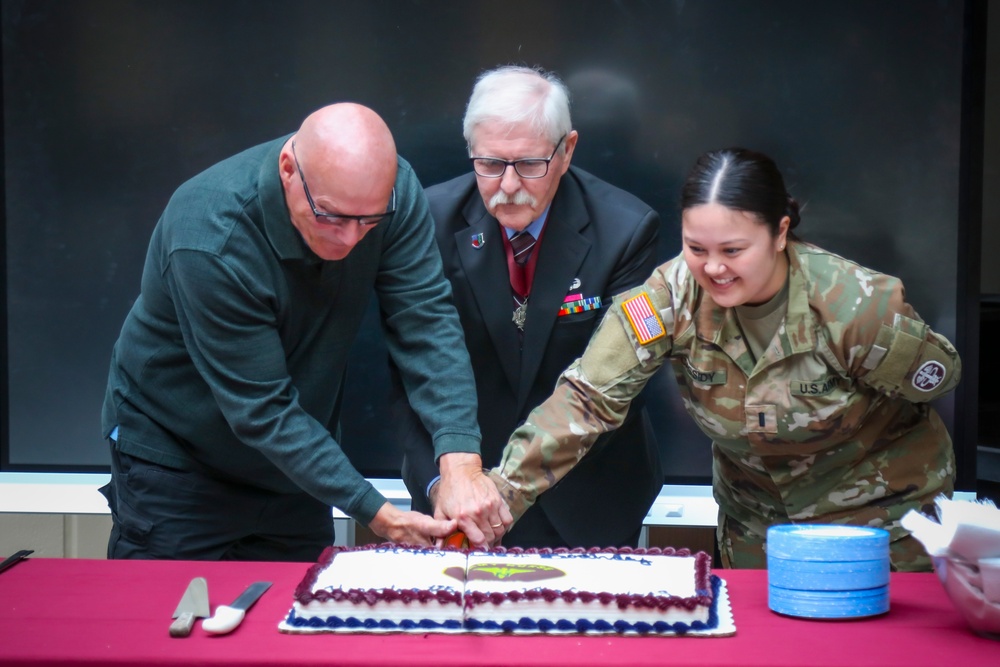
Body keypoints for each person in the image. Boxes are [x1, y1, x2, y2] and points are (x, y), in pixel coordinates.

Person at [486, 147, 961, 571]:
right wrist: (500, 494)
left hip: (882, 530)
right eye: (696, 249)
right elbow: (587, 400)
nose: (713, 268)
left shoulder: (855, 308)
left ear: (780, 233)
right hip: (758, 532)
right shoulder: (669, 297)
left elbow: (937, 380)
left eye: (733, 250)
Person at [100, 103, 509, 561]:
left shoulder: (391, 193)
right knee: (167, 623)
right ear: (289, 169)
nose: (351, 239)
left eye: (368, 221)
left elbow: (426, 321)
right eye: (330, 217)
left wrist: (460, 464)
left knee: (294, 621)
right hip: (178, 464)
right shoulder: (210, 235)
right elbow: (261, 408)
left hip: (295, 466)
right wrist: (379, 514)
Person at [393, 65, 663, 549]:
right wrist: (442, 484)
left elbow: (620, 383)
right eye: (491, 164)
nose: (509, 185)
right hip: (455, 502)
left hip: (585, 501)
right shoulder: (428, 223)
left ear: (567, 150)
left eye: (530, 164)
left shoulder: (626, 229)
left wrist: (503, 491)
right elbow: (413, 371)